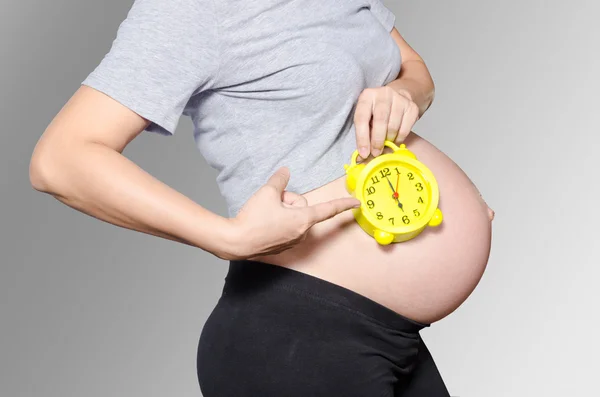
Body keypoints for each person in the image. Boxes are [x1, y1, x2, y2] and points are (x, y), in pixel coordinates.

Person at [29, 0, 494, 395]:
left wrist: (402, 93)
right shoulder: (189, 9)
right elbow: (61, 159)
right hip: (298, 344)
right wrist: (225, 238)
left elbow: (416, 70)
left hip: (388, 334)